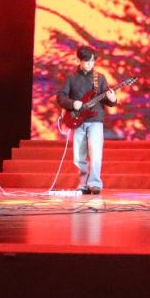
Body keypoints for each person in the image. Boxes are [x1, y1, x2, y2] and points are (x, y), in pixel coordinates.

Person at [56, 45, 117, 195]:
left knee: (95, 152)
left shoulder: (100, 78)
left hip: (95, 120)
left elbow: (107, 100)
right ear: (78, 60)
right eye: (87, 62)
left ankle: (95, 183)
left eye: (92, 61)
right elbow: (61, 97)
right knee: (79, 155)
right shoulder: (71, 77)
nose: (90, 64)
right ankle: (83, 184)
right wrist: (73, 104)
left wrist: (112, 99)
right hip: (77, 120)